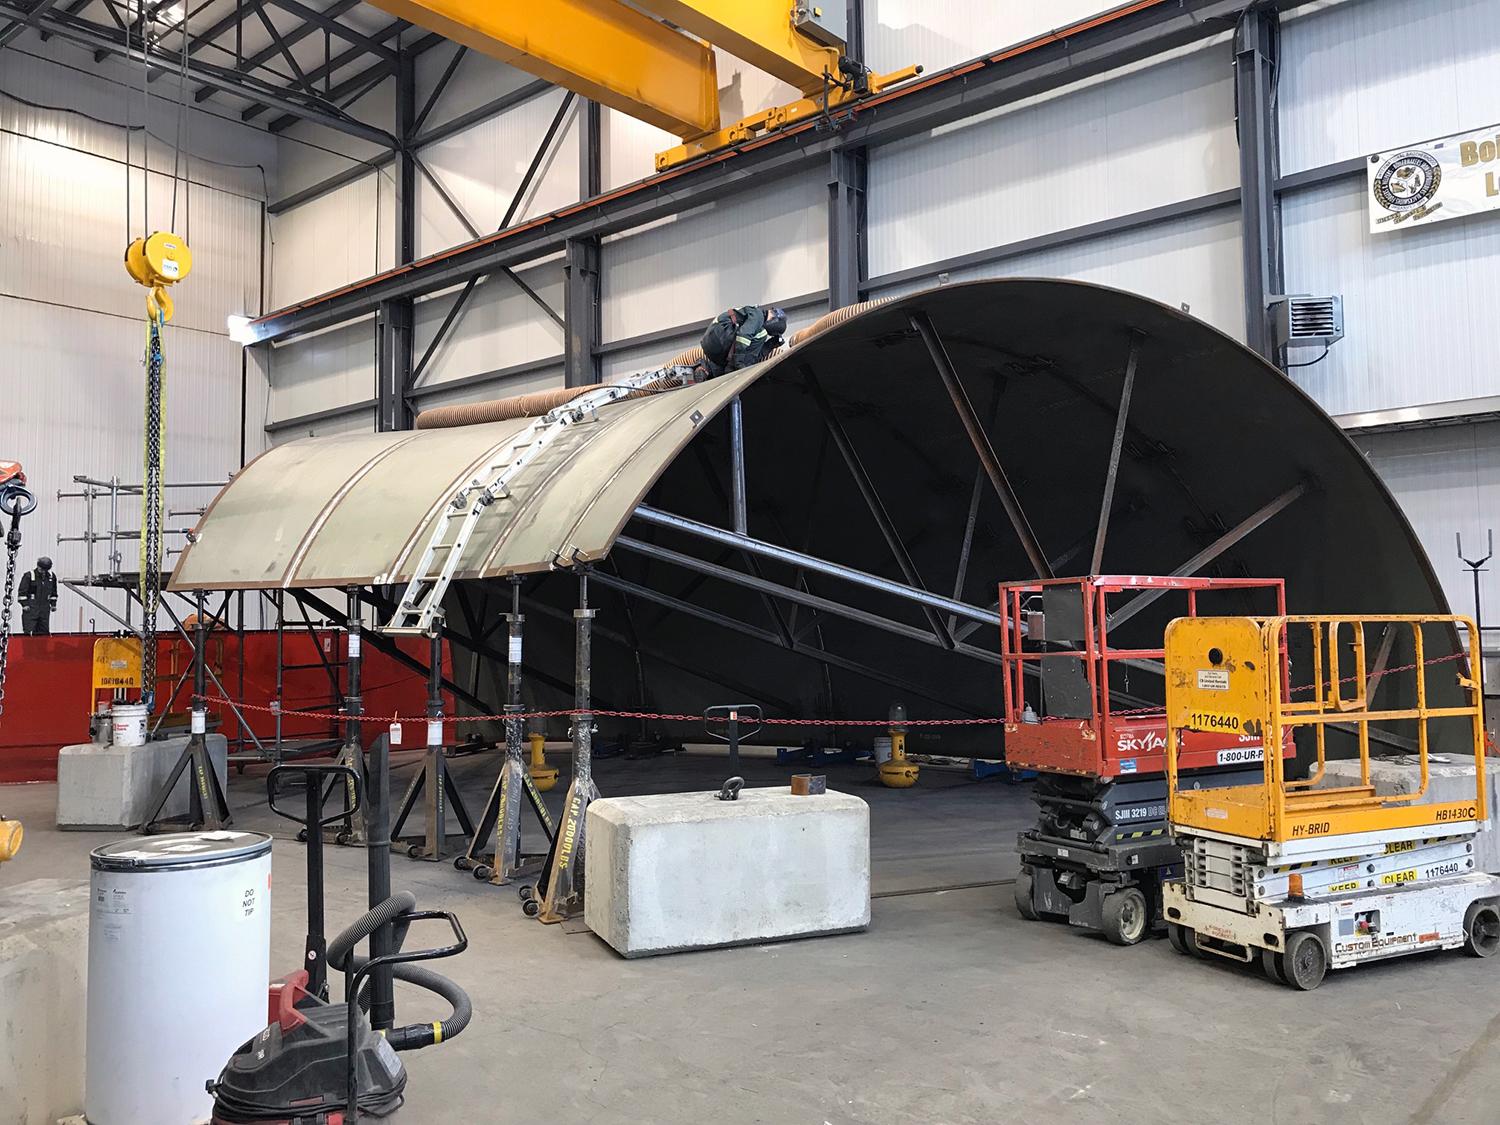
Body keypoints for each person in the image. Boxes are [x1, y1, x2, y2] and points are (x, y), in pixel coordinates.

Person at [698, 305, 788, 377]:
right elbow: (744, 335)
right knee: (761, 334)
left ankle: (706, 370)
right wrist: (739, 362)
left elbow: (753, 355)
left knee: (723, 369)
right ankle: (732, 370)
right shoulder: (758, 316)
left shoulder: (754, 313)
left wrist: (771, 345)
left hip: (713, 343)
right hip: (721, 336)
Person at [18, 556, 57, 635]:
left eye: (45, 570)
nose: (43, 572)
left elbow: (53, 592)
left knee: (44, 633)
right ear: (38, 566)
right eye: (41, 569)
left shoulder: (51, 577)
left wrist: (53, 604)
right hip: (31, 609)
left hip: (44, 610)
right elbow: (22, 592)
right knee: (29, 632)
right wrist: (24, 605)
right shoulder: (29, 576)